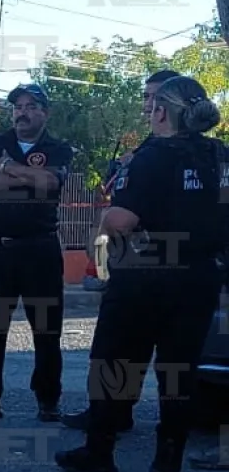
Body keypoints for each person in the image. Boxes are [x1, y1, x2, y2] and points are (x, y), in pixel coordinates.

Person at [54, 76, 229, 472]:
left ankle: (100, 452)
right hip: (200, 276)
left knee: (115, 361)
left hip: (145, 274)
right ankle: (168, 460)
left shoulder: (152, 156)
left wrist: (102, 221)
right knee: (179, 369)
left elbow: (121, 220)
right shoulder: (220, 156)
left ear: (162, 111)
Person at [61, 68, 183, 434]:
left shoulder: (176, 153)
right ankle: (120, 419)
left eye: (155, 98)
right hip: (148, 265)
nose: (148, 106)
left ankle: (111, 433)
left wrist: (97, 263)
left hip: (152, 265)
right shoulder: (149, 149)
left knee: (129, 352)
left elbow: (117, 219)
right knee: (130, 353)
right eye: (146, 97)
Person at [0, 84, 74, 423]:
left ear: (45, 112)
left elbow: (51, 185)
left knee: (47, 331)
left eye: (30, 106)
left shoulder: (58, 148)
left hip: (40, 249)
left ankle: (48, 400)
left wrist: (7, 170)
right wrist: (28, 177)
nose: (22, 112)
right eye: (17, 107)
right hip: (0, 249)